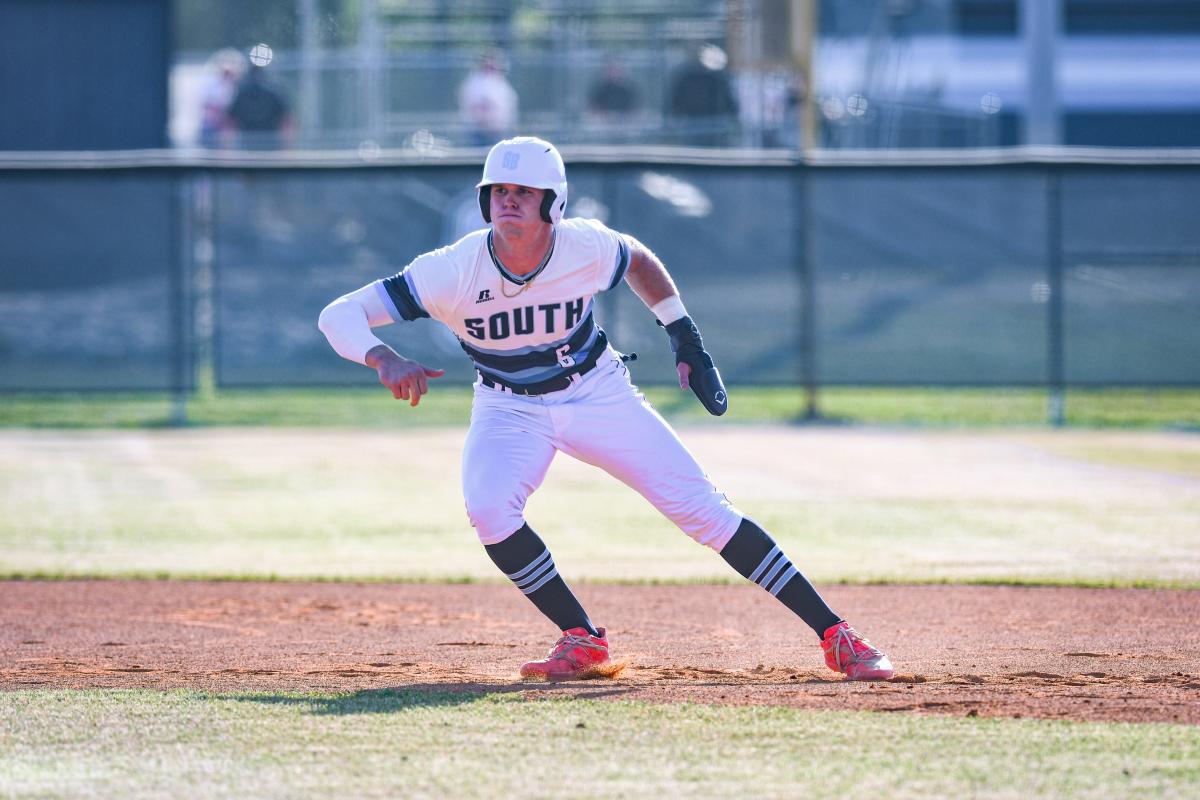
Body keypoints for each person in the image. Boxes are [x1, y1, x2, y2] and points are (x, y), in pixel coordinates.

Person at [317, 137, 893, 682]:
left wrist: (684, 335)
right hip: (507, 406)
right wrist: (381, 356)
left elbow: (639, 261)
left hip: (596, 392)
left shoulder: (583, 246)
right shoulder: (452, 269)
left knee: (704, 512)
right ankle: (581, 637)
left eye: (524, 192)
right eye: (499, 191)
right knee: (490, 510)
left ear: (554, 203)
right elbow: (338, 313)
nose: (508, 201)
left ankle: (838, 635)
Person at [458, 51, 518, 146]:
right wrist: (487, 123)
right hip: (481, 132)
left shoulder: (501, 82)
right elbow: (477, 107)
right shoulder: (475, 82)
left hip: (499, 131)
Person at [228, 64, 293, 150]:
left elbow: (286, 120)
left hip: (260, 142)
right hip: (255, 142)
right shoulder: (274, 91)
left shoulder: (242, 92)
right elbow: (231, 121)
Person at [198, 48, 245, 148]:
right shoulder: (210, 85)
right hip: (213, 128)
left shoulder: (239, 87)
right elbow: (209, 107)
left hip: (229, 129)